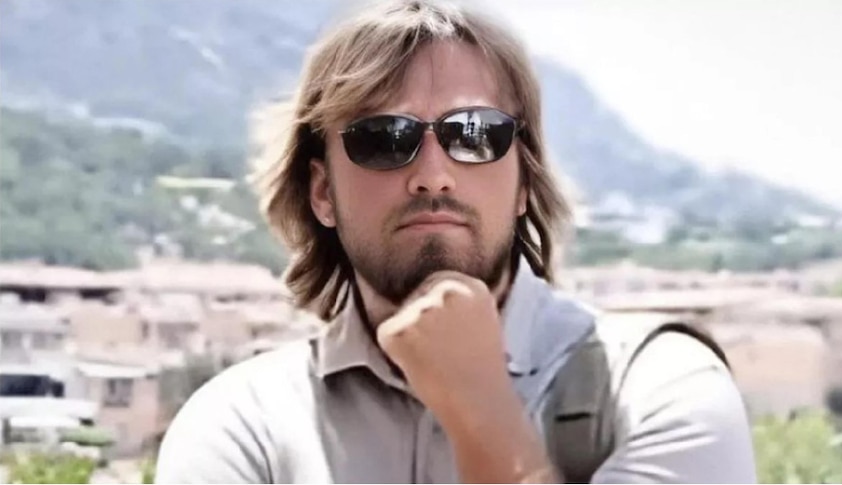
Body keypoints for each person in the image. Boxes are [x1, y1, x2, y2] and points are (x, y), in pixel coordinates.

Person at [155, 0, 757, 482]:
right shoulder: (242, 426)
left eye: (476, 134)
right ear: (322, 193)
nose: (433, 174)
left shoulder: (657, 387)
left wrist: (482, 412)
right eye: (385, 138)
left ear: (524, 179)